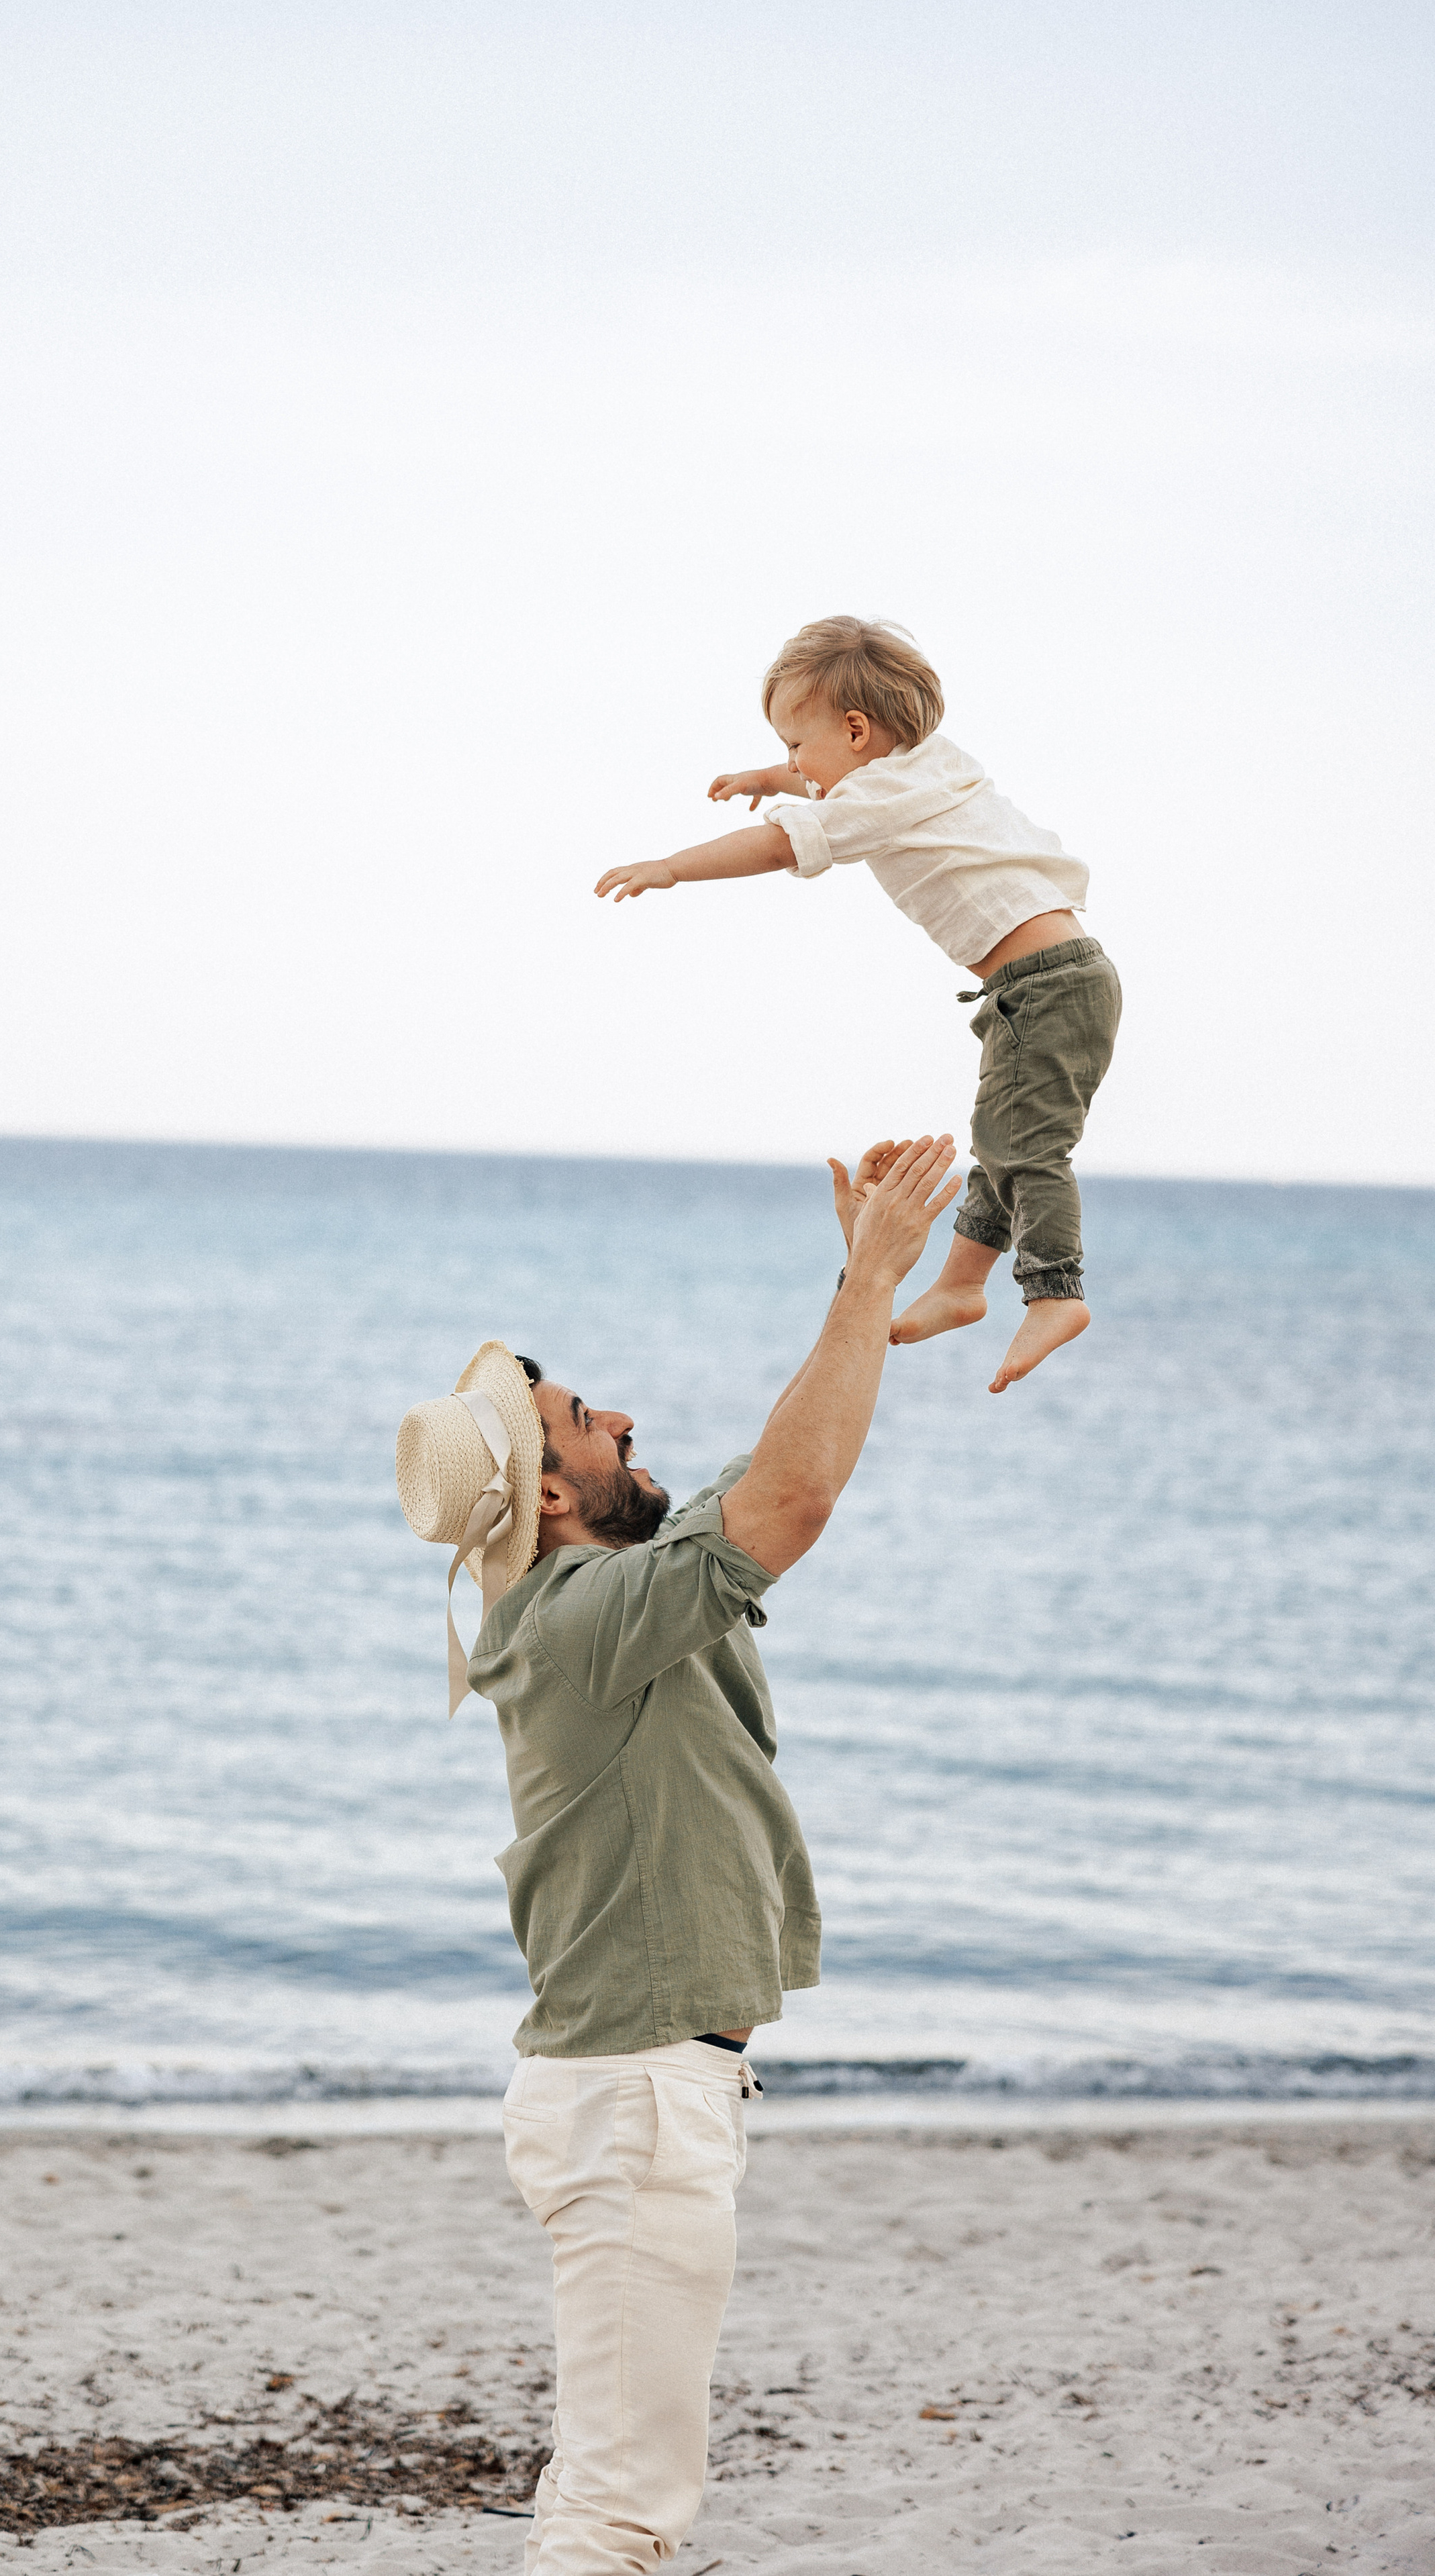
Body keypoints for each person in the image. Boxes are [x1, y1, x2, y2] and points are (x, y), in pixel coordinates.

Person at [394, 1134, 959, 2576]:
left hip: (635, 2086)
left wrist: (859, 1283)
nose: (625, 1414)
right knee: (619, 2512)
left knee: (610, 2484)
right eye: (589, 1417)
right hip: (634, 2095)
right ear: (557, 1495)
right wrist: (877, 1273)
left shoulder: (605, 1590)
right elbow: (791, 1506)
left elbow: (775, 1473)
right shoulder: (585, 1621)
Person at [593, 615, 1123, 1394]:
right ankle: (960, 1284)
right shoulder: (925, 765)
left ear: (853, 728)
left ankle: (1054, 1292)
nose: (793, 766)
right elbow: (829, 779)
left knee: (1027, 1149)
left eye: (794, 746)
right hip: (1047, 982)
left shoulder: (877, 796)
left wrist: (672, 867)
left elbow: (784, 844)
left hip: (1043, 985)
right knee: (1001, 1138)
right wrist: (768, 779)